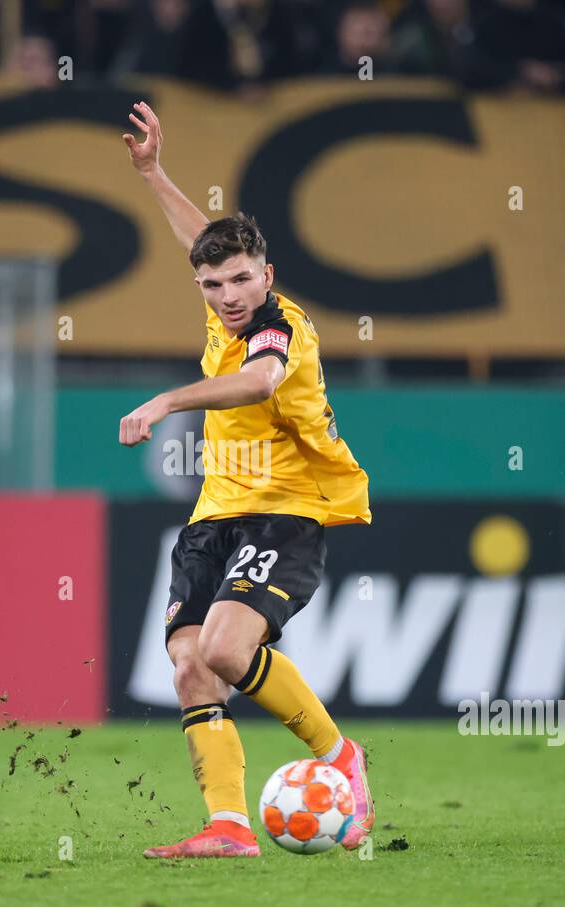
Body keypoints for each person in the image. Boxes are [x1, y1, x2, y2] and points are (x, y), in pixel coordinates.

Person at [118, 101, 375, 860]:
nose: (227, 294)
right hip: (215, 513)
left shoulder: (278, 327)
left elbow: (260, 383)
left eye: (240, 279)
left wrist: (167, 400)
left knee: (229, 650)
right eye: (211, 284)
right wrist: (153, 173)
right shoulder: (220, 307)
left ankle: (339, 756)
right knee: (192, 663)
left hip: (286, 509)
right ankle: (229, 825)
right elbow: (201, 239)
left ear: (268, 275)